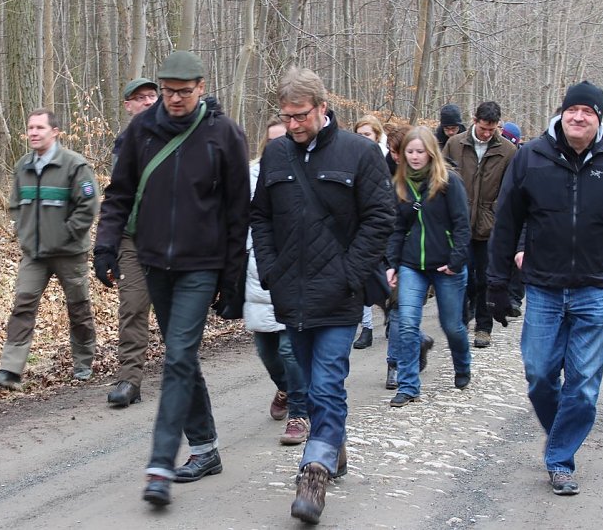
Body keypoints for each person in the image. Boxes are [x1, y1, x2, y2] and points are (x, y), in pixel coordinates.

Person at [93, 51, 249, 507]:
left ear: (201, 86)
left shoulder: (225, 135)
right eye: (168, 90)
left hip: (202, 264)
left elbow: (239, 212)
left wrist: (233, 278)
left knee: (178, 355)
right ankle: (205, 449)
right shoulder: (142, 131)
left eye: (184, 91)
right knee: (182, 358)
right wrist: (105, 245)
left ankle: (160, 464)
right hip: (153, 260)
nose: (175, 99)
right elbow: (119, 193)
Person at [487, 80, 603, 496]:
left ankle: (560, 458)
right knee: (539, 375)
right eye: (572, 109)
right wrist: (496, 284)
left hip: (596, 289)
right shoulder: (531, 157)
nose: (578, 117)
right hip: (544, 288)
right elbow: (507, 222)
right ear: (561, 113)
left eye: (588, 111)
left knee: (582, 383)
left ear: (599, 118)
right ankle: (563, 433)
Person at [251, 67, 395, 524]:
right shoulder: (275, 155)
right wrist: (271, 269)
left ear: (322, 108)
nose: (293, 125)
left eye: (301, 116)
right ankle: (335, 446)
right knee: (309, 385)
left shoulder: (361, 152)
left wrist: (351, 273)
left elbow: (380, 218)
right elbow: (261, 218)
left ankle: (313, 473)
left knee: (329, 381)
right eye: (286, 117)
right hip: (290, 292)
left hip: (339, 294)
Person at [0, 109, 100, 390]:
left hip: (69, 253)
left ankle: (83, 363)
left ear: (55, 132)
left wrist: (66, 234)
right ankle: (10, 370)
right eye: (30, 128)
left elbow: (89, 206)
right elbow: (15, 204)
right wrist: (23, 233)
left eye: (39, 128)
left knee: (78, 307)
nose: (33, 133)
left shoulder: (75, 165)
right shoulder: (23, 165)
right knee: (22, 306)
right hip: (34, 255)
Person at [385, 127, 472, 407]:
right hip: (412, 264)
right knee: (407, 325)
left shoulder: (448, 182)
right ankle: (409, 384)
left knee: (452, 326)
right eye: (410, 151)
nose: (415, 157)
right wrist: (392, 263)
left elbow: (461, 224)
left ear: (431, 152)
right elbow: (397, 228)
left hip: (446, 265)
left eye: (420, 151)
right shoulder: (400, 184)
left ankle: (462, 365)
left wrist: (456, 261)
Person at [244, 116, 309, 445]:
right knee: (266, 348)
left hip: (297, 269)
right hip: (259, 269)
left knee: (288, 348)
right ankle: (285, 387)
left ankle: (299, 411)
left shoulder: (307, 169)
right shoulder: (253, 173)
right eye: (272, 140)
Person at [443, 101, 516, 348]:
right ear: (475, 120)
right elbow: (442, 178)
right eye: (484, 127)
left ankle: (484, 327)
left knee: (486, 278)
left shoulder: (507, 151)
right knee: (462, 277)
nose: (487, 133)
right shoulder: (455, 144)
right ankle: (462, 323)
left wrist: (496, 212)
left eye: (492, 128)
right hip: (459, 223)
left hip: (489, 225)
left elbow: (510, 189)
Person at [106, 77, 159, 408]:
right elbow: (117, 197)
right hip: (132, 239)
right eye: (140, 98)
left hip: (172, 240)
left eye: (153, 96)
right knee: (133, 307)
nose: (148, 102)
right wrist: (106, 244)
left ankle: (185, 375)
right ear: (128, 105)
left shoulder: (178, 136)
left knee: (175, 312)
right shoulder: (123, 143)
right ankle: (129, 379)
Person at [352, 114, 388, 349]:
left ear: (377, 136)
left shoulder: (389, 159)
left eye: (367, 134)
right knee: (362, 281)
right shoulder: (350, 158)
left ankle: (393, 316)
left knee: (386, 286)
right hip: (360, 231)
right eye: (360, 134)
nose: (363, 139)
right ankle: (366, 328)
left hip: (385, 232)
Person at [500, 121, 525, 316]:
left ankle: (515, 298)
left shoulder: (522, 158)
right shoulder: (496, 152)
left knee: (518, 257)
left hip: (518, 213)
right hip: (495, 211)